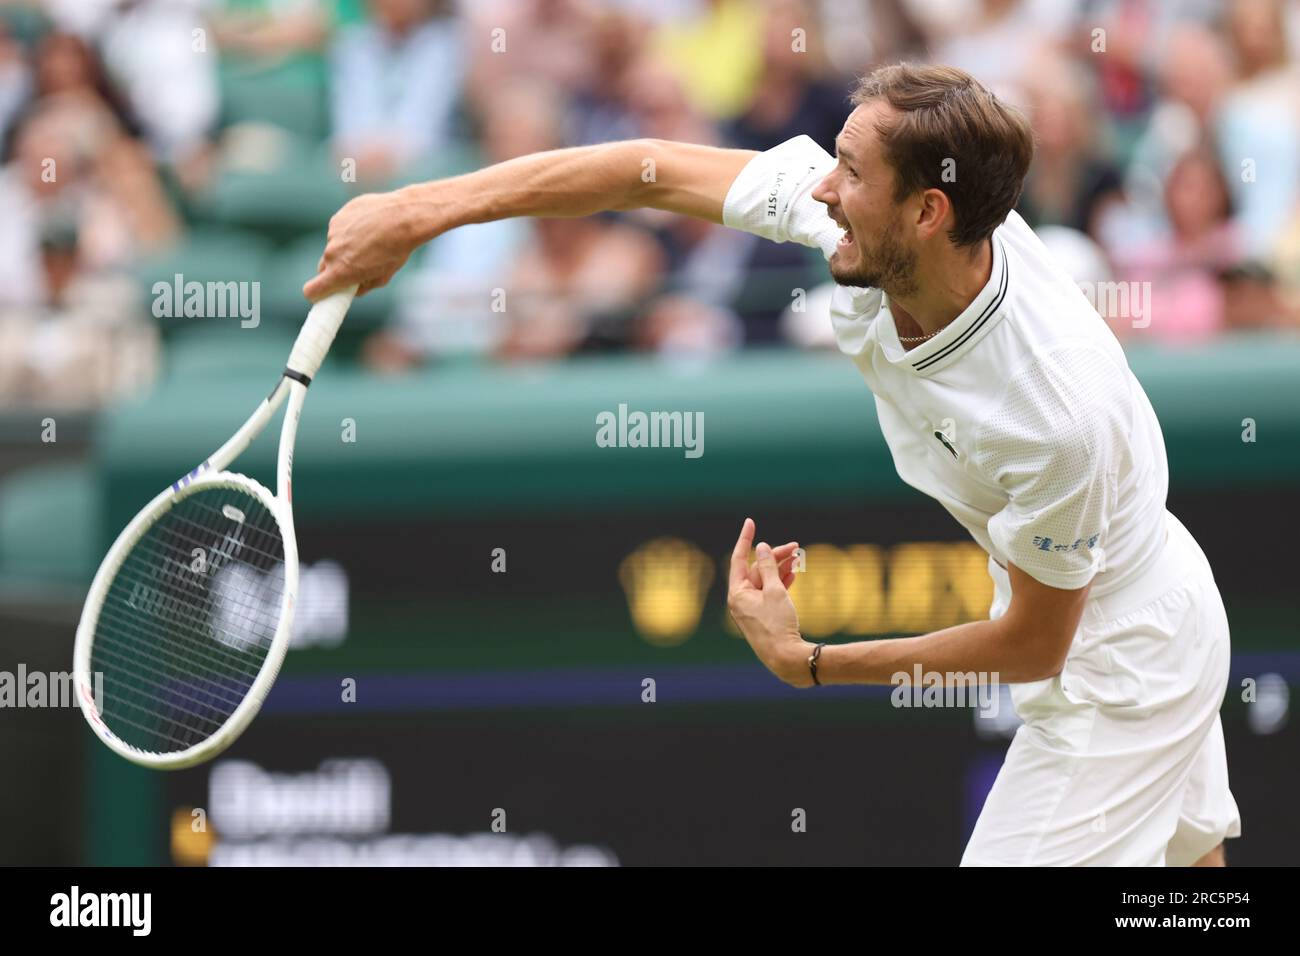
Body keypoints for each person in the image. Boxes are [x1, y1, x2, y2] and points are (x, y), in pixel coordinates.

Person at [302, 63, 1240, 867]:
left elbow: (1038, 645)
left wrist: (815, 661)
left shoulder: (1053, 412)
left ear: (927, 211)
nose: (825, 188)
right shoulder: (869, 224)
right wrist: (421, 209)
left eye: (853, 173)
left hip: (1124, 667)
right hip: (1146, 586)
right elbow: (653, 169)